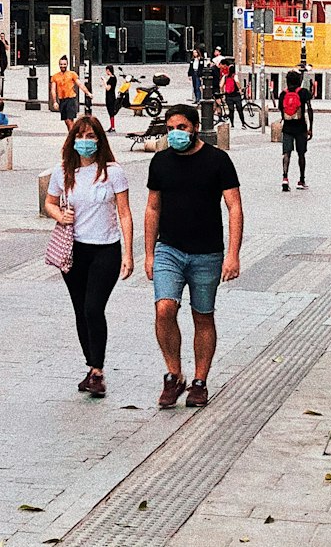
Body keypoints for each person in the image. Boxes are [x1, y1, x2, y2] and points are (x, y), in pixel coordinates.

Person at [145, 104, 242, 409]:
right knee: (164, 308)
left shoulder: (218, 161)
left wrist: (233, 255)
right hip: (168, 249)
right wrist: (148, 253)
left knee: (203, 316)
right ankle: (174, 375)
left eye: (182, 128)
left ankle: (199, 381)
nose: (175, 133)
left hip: (207, 253)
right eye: (170, 128)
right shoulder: (160, 162)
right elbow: (152, 208)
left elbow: (234, 207)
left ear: (195, 128)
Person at [45, 116, 134, 397]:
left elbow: (124, 213)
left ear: (100, 140)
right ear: (72, 140)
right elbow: (49, 202)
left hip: (106, 248)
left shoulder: (113, 172)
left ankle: (98, 371)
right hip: (74, 249)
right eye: (80, 136)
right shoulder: (63, 172)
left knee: (94, 307)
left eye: (91, 136)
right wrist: (60, 214)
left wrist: (129, 254)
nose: (86, 142)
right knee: (81, 310)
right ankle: (92, 366)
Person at [279, 69, 313, 191]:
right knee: (301, 154)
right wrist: (310, 128)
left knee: (286, 153)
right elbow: (309, 109)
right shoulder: (303, 93)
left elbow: (281, 111)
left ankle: (285, 178)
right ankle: (301, 180)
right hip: (301, 127)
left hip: (287, 127)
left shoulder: (283, 94)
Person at [51, 55, 92, 130]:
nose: (63, 66)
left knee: (70, 120)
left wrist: (87, 92)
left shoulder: (72, 74)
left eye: (64, 64)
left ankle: (72, 136)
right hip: (62, 100)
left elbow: (80, 84)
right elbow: (53, 90)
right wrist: (54, 101)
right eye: (61, 64)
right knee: (66, 121)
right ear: (59, 65)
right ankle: (73, 134)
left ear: (67, 64)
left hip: (70, 99)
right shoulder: (55, 76)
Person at [104, 65, 120, 132]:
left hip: (110, 97)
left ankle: (113, 127)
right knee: (110, 112)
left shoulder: (112, 79)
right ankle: (112, 126)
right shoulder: (113, 78)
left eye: (106, 70)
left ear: (108, 70)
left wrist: (104, 81)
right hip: (111, 96)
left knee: (111, 112)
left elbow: (108, 88)